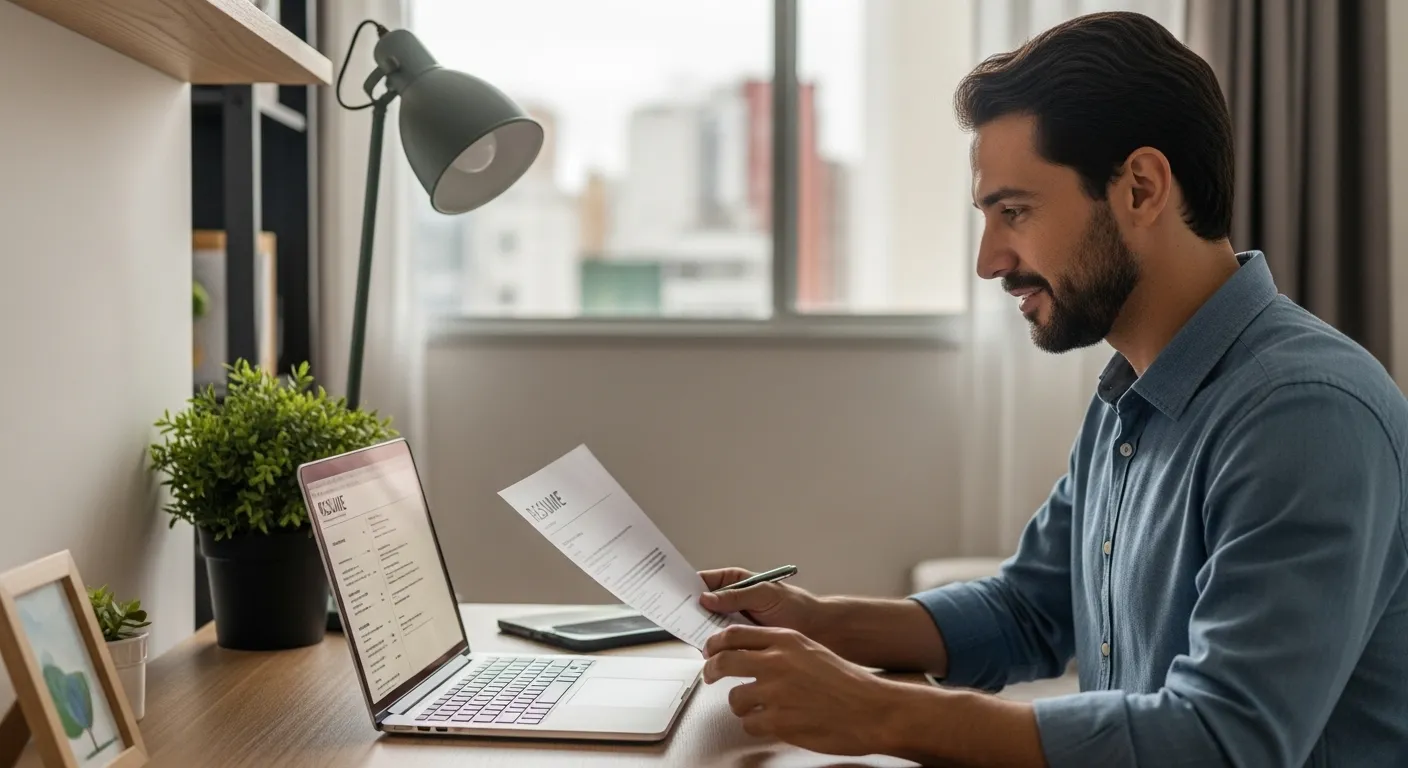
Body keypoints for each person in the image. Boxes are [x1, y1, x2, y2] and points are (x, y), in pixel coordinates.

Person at [696, 11, 1408, 768]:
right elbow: (1029, 609)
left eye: (1016, 212)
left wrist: (880, 713)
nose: (990, 260)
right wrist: (817, 624)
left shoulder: (1303, 413)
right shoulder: (1134, 396)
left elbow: (1224, 740)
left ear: (1139, 187)